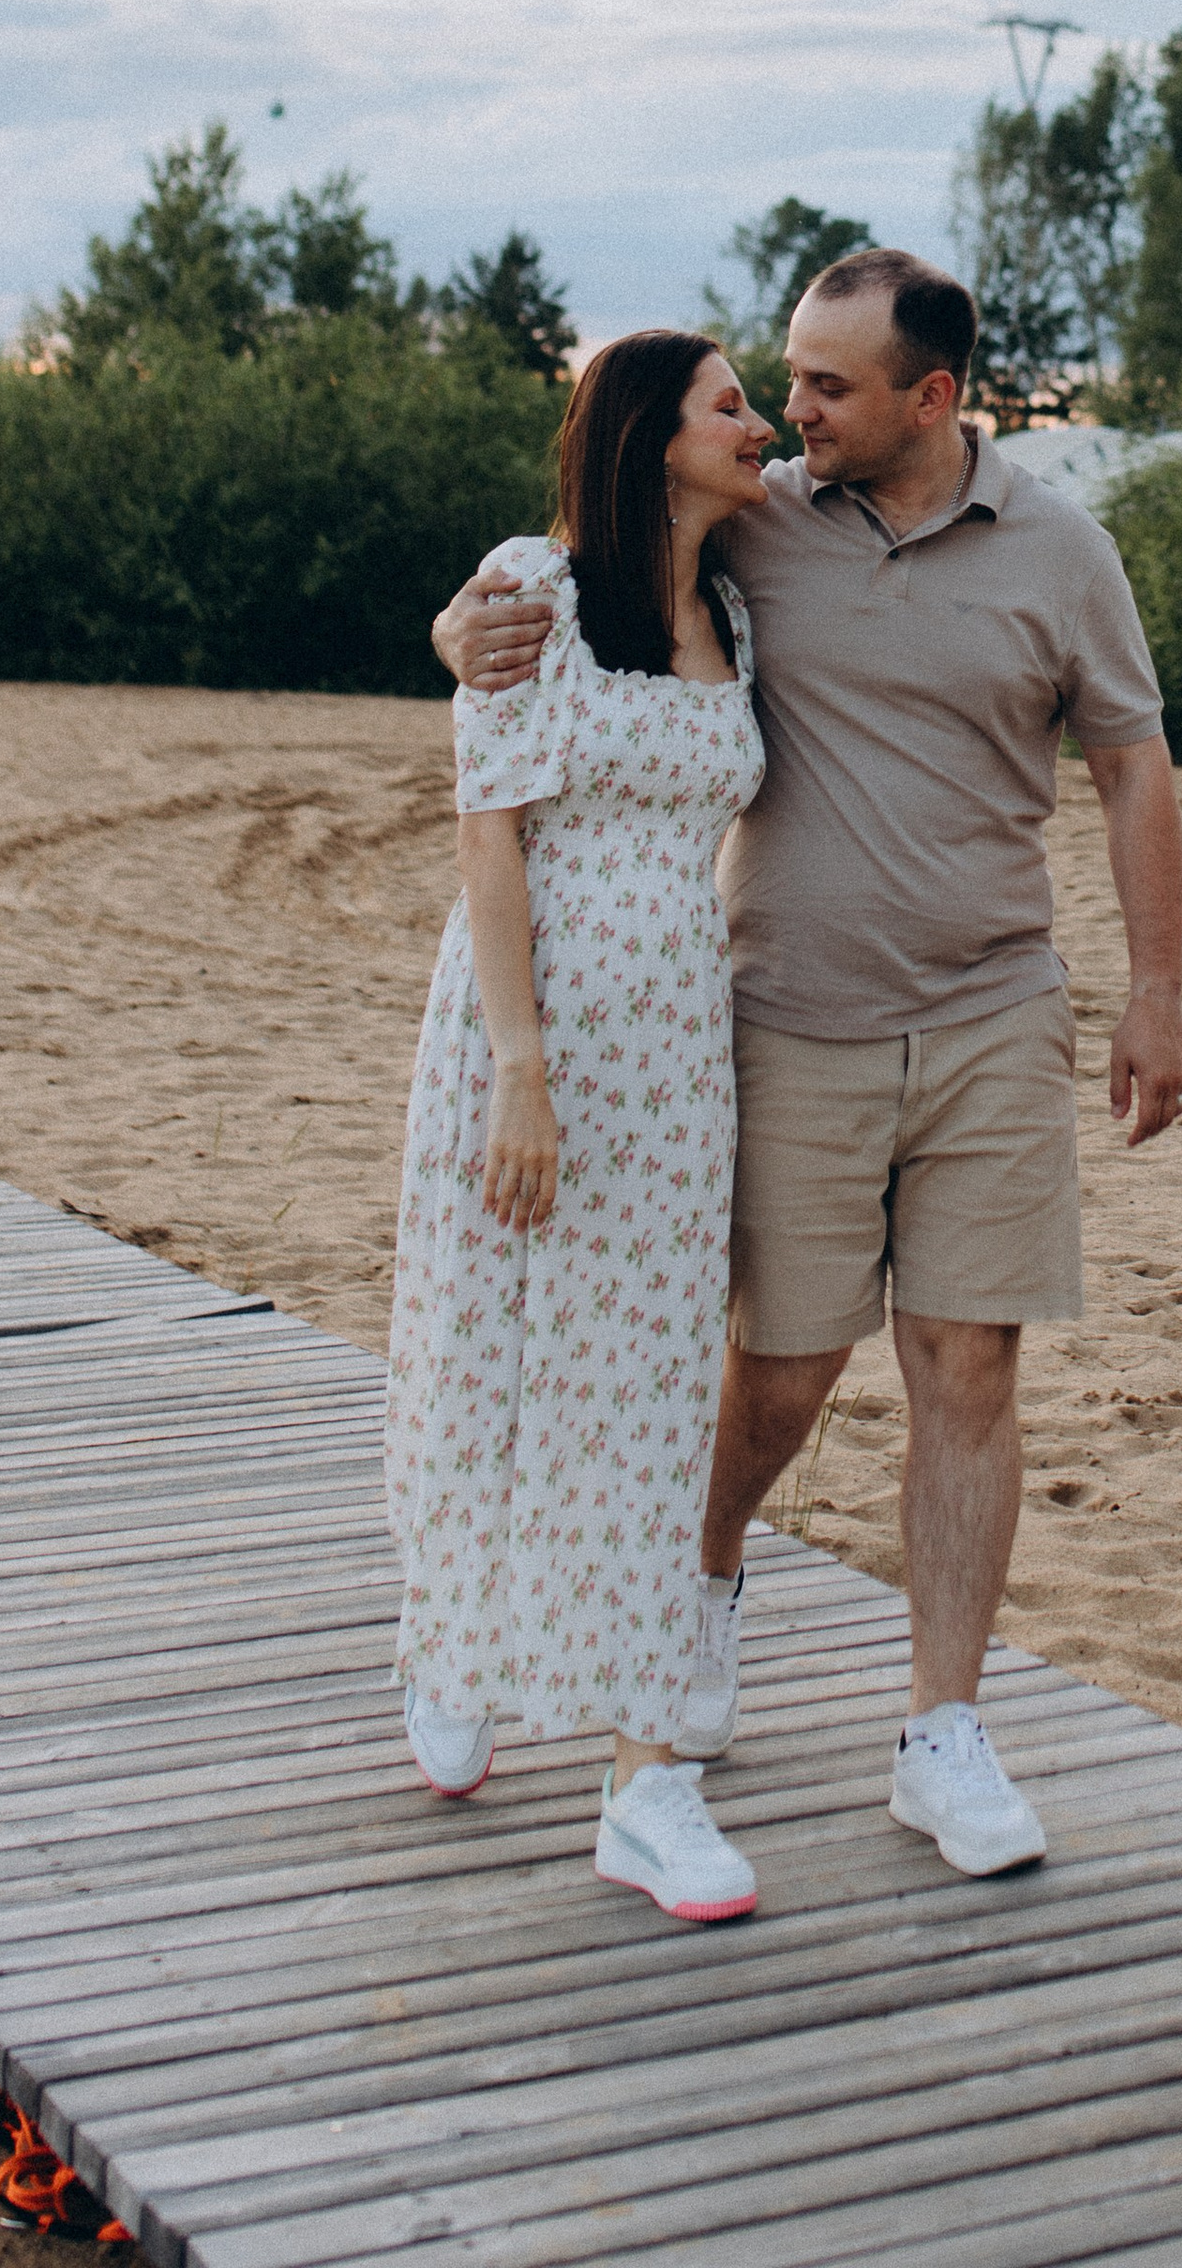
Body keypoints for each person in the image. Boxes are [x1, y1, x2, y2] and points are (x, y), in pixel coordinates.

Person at [435, 246, 1182, 1880]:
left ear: (935, 398)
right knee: (776, 1378)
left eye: (829, 387)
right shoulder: (761, 520)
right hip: (780, 1017)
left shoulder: (1064, 551)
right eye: (782, 381)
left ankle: (944, 1732)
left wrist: (1159, 993)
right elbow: (589, 555)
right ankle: (695, 1594)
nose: (792, 414)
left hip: (996, 1009)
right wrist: (460, 623)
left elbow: (1131, 764)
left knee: (968, 1367)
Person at [388, 329, 775, 1924]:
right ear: (644, 437)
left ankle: (642, 1777)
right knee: (490, 1338)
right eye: (730, 404)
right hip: (523, 1021)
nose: (760, 425)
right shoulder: (529, 590)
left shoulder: (742, 598)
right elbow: (491, 833)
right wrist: (522, 1069)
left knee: (653, 1387)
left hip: (681, 1046)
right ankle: (452, 1640)